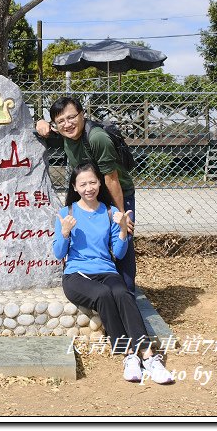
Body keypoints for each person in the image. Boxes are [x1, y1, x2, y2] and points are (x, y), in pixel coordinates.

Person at [53, 162, 173, 384]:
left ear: (100, 183)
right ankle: (128, 355)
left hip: (106, 270)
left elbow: (118, 254)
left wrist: (122, 231)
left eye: (92, 182)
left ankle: (147, 356)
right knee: (103, 294)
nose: (88, 188)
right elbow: (58, 252)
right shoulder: (66, 213)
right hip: (76, 275)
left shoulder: (110, 212)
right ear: (74, 187)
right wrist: (65, 232)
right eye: (83, 184)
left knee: (122, 293)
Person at [37, 96, 137, 292]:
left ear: (82, 115)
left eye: (71, 117)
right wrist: (39, 122)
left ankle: (127, 294)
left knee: (122, 238)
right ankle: (101, 288)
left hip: (116, 191)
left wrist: (120, 215)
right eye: (61, 121)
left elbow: (111, 179)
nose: (67, 124)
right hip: (91, 191)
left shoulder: (96, 138)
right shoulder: (67, 134)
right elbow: (48, 132)